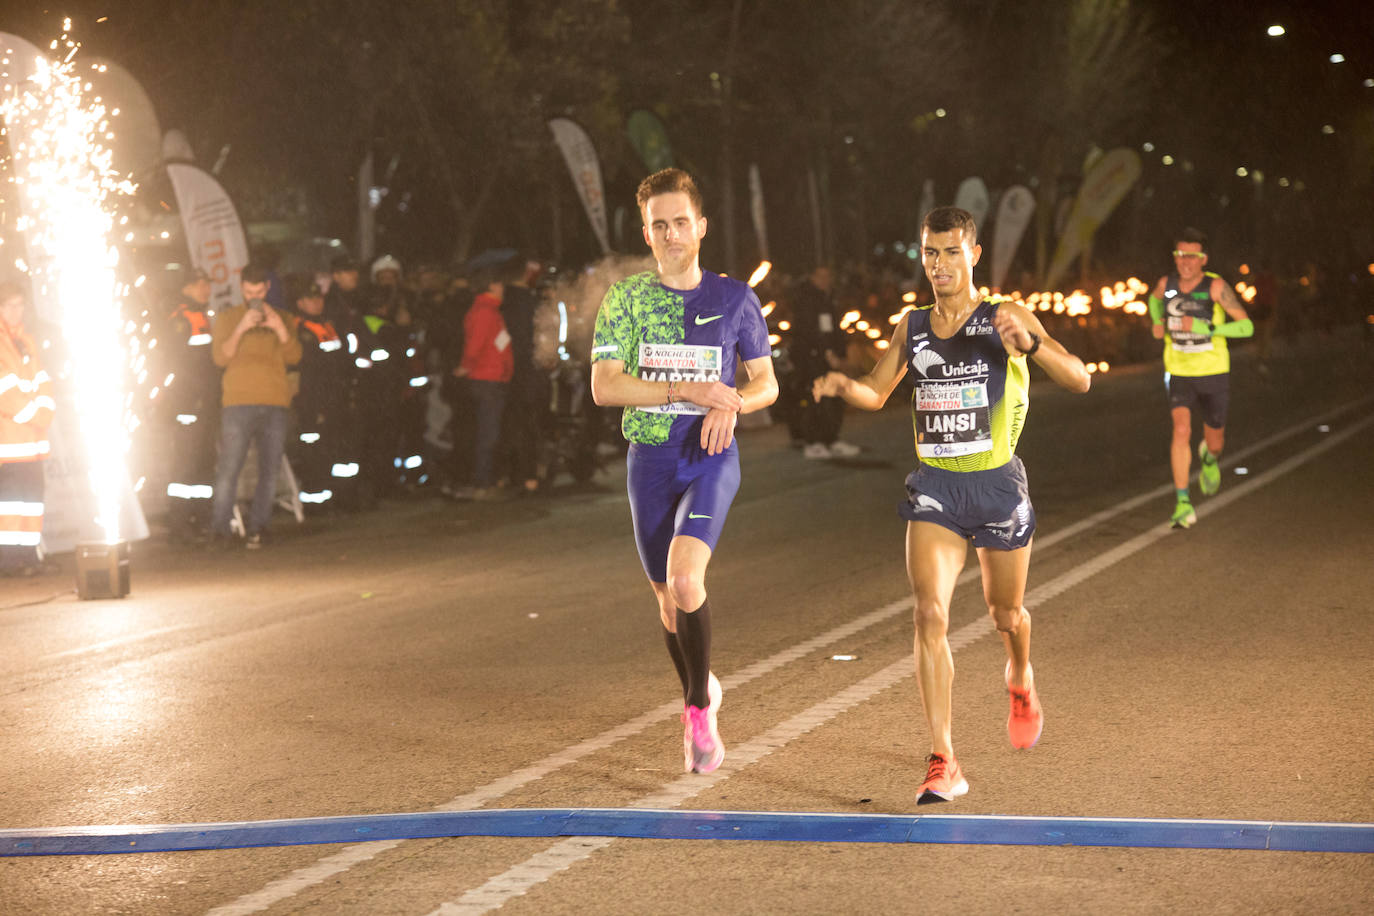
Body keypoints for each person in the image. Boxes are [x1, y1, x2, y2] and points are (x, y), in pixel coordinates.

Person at [813, 206, 1091, 804]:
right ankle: (944, 757)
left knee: (1005, 615)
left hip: (995, 488)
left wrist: (1034, 343)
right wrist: (842, 386)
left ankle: (1020, 674)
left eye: (951, 252)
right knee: (928, 614)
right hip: (936, 486)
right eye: (930, 253)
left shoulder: (1005, 316)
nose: (939, 265)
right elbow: (876, 389)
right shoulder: (911, 327)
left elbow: (1079, 378)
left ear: (974, 255)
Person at [591, 168, 778, 774]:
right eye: (658, 225)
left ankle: (697, 707)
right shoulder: (626, 301)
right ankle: (703, 688)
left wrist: (732, 403)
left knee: (686, 581)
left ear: (701, 227)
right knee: (669, 605)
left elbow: (765, 382)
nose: (671, 234)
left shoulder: (733, 299)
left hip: (707, 457)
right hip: (649, 460)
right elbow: (603, 386)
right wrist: (689, 387)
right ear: (646, 234)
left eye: (680, 222)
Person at [1146, 229, 1253, 528]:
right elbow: (1154, 302)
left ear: (1203, 258)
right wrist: (1156, 321)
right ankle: (1182, 503)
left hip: (1213, 372)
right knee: (1181, 430)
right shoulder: (1166, 284)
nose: (1186, 262)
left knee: (1214, 440)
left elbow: (1246, 328)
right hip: (1179, 371)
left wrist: (1209, 330)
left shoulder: (1216, 287)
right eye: (1180, 256)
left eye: (1192, 256)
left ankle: (1210, 458)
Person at [208, 263, 302, 549]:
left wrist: (278, 328)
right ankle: (220, 530)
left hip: (275, 402)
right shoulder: (228, 318)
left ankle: (259, 527)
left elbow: (295, 356)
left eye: (259, 291)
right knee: (229, 468)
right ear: (242, 289)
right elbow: (220, 359)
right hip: (238, 403)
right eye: (249, 292)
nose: (254, 297)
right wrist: (241, 328)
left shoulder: (283, 318)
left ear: (267, 288)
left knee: (270, 469)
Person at [286, 274, 359, 510]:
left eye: (318, 298)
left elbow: (342, 361)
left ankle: (345, 496)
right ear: (300, 304)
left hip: (336, 398)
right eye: (310, 299)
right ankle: (316, 500)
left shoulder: (328, 325)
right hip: (313, 404)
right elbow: (306, 371)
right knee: (314, 452)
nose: (316, 303)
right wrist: (311, 407)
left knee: (340, 449)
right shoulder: (298, 330)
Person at [0, 282, 55, 576]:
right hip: (9, 442)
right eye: (9, 305)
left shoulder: (27, 341)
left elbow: (42, 380)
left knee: (32, 502)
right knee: (9, 504)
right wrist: (38, 415)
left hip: (32, 440)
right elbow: (5, 392)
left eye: (19, 305)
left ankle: (29, 557)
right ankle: (7, 561)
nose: (15, 311)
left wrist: (44, 412)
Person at [161, 267, 220, 537]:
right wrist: (185, 402)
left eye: (206, 283)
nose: (205, 289)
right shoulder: (181, 319)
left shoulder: (203, 316)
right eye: (199, 284)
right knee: (186, 463)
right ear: (186, 288)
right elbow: (175, 364)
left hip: (206, 403)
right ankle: (180, 522)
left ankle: (201, 516)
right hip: (188, 405)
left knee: (205, 462)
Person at [451, 268, 512, 500]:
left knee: (488, 432)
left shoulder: (489, 311)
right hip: (488, 380)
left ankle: (484, 481)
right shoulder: (485, 312)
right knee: (488, 433)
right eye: (500, 284)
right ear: (492, 286)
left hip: (491, 378)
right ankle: (482, 483)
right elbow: (476, 346)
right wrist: (466, 366)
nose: (503, 289)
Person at [788, 265, 860, 459]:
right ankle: (813, 441)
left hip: (829, 358)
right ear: (812, 277)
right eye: (821, 276)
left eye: (828, 276)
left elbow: (835, 329)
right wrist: (828, 354)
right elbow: (810, 331)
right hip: (812, 359)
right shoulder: (807, 299)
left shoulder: (829, 298)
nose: (825, 279)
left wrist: (841, 354)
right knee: (816, 398)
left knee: (834, 397)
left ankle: (831, 439)